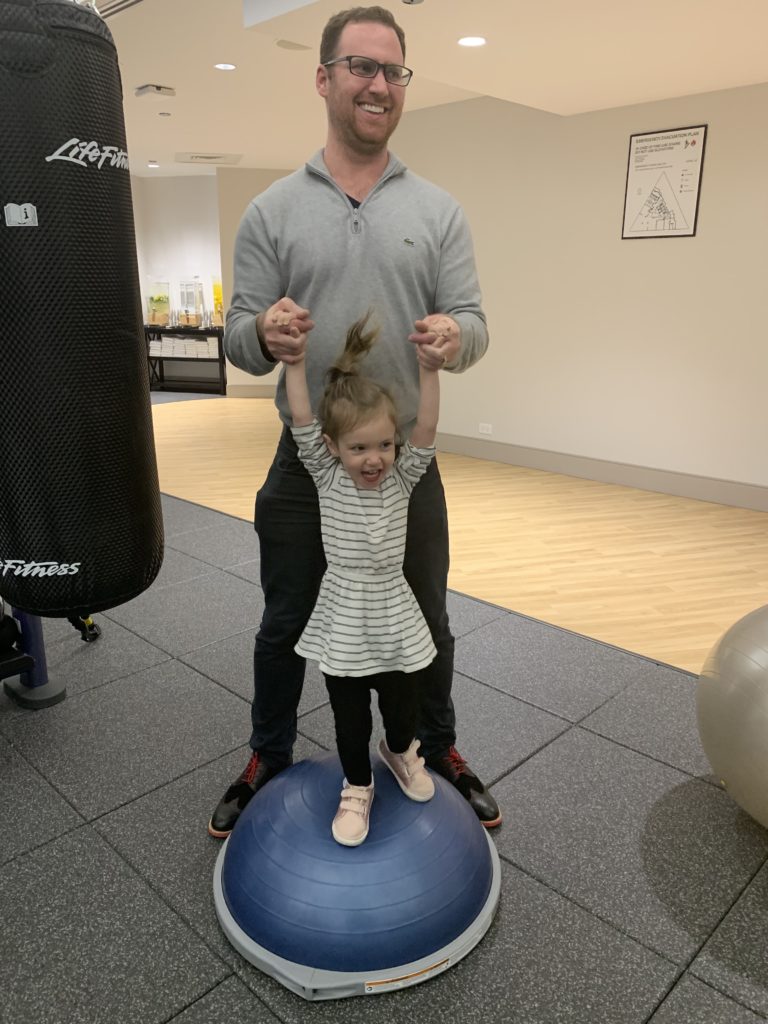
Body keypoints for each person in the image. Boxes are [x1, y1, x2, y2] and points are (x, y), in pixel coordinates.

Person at [209, 4, 501, 838]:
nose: (379, 85)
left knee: (429, 620)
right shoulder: (271, 209)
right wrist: (261, 333)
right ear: (325, 77)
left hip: (403, 462)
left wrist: (458, 337)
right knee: (285, 620)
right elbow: (239, 335)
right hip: (307, 464)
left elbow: (474, 324)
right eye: (361, 68)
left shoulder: (438, 211)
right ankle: (267, 751)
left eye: (393, 71)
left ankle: (434, 747)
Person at [283, 309, 440, 845]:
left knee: (402, 704)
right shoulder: (327, 476)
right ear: (333, 448)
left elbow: (426, 429)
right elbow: (302, 418)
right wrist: (296, 362)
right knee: (348, 713)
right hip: (344, 615)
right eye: (358, 448)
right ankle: (356, 783)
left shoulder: (402, 478)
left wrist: (431, 371)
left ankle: (399, 751)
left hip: (393, 612)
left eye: (383, 446)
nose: (373, 460)